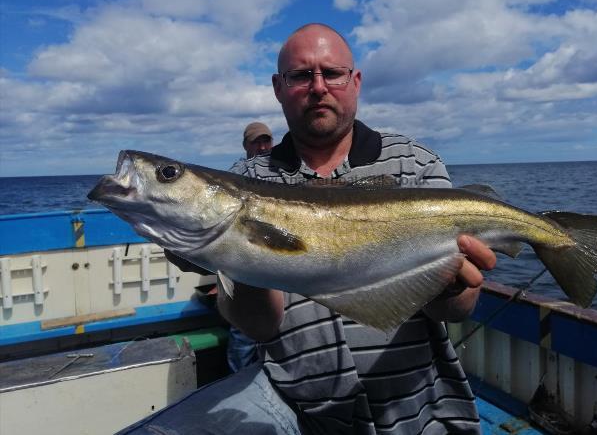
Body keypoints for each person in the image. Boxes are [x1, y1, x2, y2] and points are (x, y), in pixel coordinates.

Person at [120, 24, 496, 435]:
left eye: (332, 73)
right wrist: (234, 256)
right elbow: (260, 327)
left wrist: (455, 288)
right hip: (295, 405)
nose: (318, 87)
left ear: (355, 81)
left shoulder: (416, 164)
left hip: (418, 408)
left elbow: (454, 311)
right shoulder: (247, 175)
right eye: (300, 76)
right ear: (279, 88)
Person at [224, 122, 274, 373]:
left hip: (271, 264)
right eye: (256, 142)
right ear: (245, 145)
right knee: (243, 335)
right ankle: (238, 379)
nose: (263, 146)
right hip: (246, 269)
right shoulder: (237, 173)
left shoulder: (279, 171)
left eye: (266, 140)